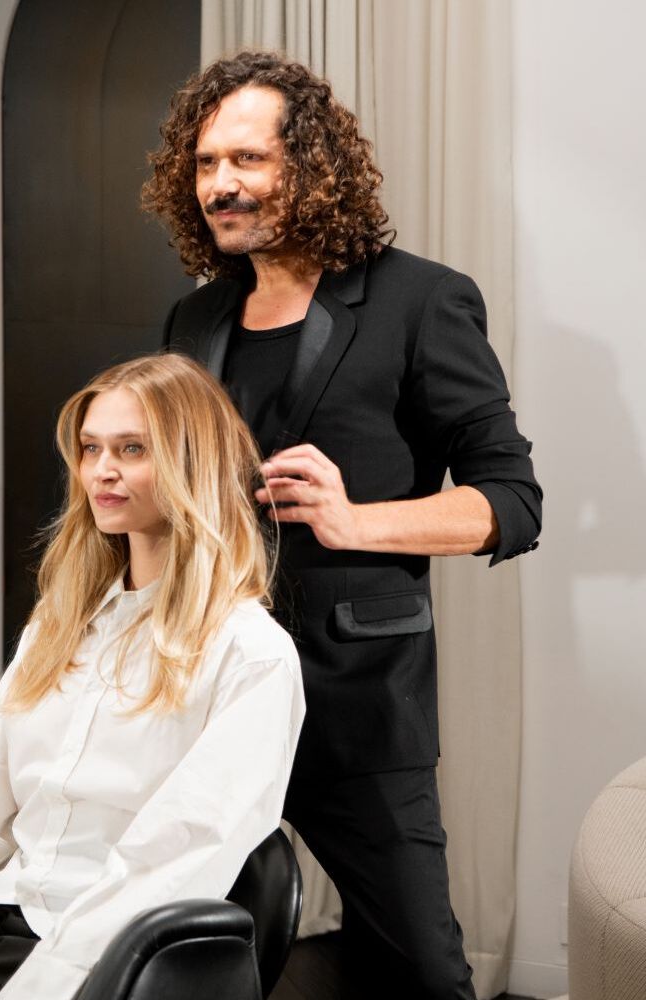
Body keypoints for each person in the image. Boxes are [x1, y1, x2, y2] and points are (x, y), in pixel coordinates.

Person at [143, 51, 543, 999]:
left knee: (422, 975)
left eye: (247, 159)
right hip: (206, 700)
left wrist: (353, 520)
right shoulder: (193, 320)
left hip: (358, 704)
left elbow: (512, 501)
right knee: (180, 963)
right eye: (205, 164)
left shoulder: (420, 301)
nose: (221, 184)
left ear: (312, 166)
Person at [0, 353, 305, 1000]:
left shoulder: (252, 655)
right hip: (4, 907)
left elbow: (174, 858)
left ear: (191, 464)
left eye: (132, 449)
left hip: (111, 944)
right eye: (91, 448)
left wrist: (45, 984)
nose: (102, 470)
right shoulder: (59, 624)